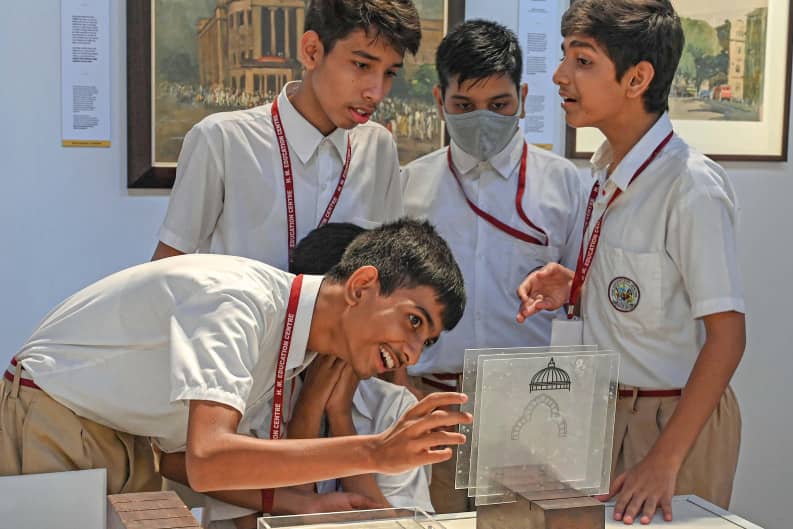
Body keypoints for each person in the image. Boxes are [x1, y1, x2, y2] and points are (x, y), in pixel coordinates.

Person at [1, 219, 470, 515]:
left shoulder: (293, 343)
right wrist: (373, 453)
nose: (412, 352)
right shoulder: (240, 301)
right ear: (362, 285)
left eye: (426, 340)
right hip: (58, 414)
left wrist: (305, 504)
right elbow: (209, 461)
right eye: (413, 321)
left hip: (129, 440)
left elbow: (186, 461)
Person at [517, 0, 746, 524]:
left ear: (637, 78)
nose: (559, 76)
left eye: (583, 61)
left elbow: (728, 335)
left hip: (670, 420)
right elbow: (647, 293)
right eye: (564, 57)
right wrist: (576, 286)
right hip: (600, 412)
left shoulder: (690, 186)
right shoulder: (605, 172)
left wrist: (665, 459)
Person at [398, 20, 587, 513]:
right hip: (431, 406)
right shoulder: (408, 187)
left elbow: (585, 310)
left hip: (532, 413)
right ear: (440, 100)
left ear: (523, 97)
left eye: (499, 105)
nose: (482, 118)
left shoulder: (566, 187)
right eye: (464, 106)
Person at [159, 223, 435, 528]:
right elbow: (198, 473)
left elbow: (398, 523)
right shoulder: (251, 389)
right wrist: (308, 410)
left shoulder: (393, 406)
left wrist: (341, 417)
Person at [151, 0, 422, 270]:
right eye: (362, 65)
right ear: (312, 51)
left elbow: (388, 270)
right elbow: (166, 272)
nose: (376, 93)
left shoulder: (378, 147)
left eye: (389, 73)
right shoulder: (222, 140)